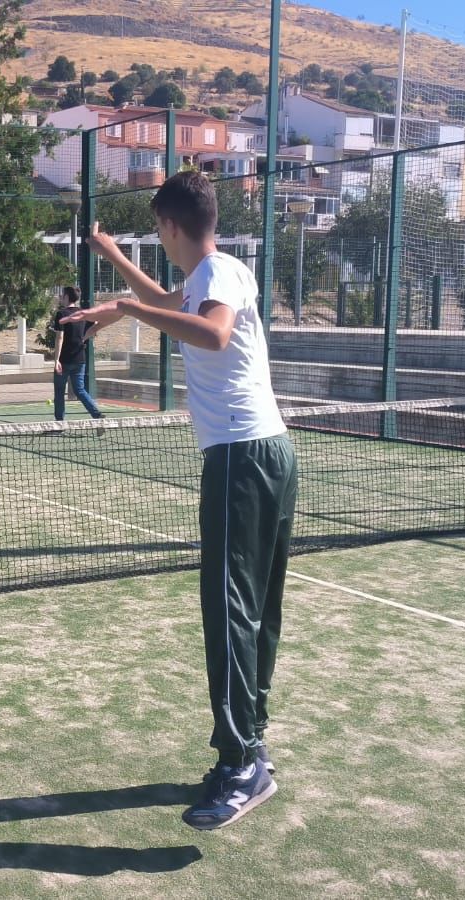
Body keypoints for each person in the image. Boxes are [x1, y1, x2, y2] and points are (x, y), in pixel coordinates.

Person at [61, 171, 297, 831]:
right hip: (270, 453)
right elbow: (172, 299)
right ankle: (249, 747)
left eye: (155, 232)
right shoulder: (216, 273)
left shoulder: (216, 280)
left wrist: (129, 312)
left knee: (230, 610)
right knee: (255, 609)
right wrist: (114, 261)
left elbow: (213, 334)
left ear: (169, 227)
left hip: (239, 459)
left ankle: (243, 759)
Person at [49, 285, 104, 421]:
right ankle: (97, 414)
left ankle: (60, 424)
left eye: (62, 295)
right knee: (80, 390)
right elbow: (96, 324)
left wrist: (56, 361)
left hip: (64, 360)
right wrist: (83, 338)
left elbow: (59, 337)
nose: (61, 297)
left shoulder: (61, 314)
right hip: (80, 359)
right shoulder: (84, 314)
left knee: (59, 392)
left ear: (67, 297)